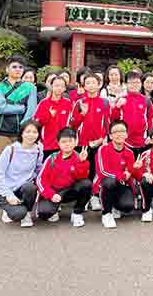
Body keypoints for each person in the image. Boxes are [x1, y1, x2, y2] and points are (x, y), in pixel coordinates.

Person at [0, 55, 38, 209]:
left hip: (22, 133)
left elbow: (31, 111)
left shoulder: (30, 88)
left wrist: (23, 130)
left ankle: (16, 194)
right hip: (3, 131)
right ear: (7, 69)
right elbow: (1, 108)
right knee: (0, 164)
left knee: (18, 165)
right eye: (14, 67)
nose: (17, 70)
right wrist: (20, 107)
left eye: (20, 67)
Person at [69, 72, 111, 211]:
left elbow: (107, 125)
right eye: (88, 83)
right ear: (84, 86)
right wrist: (82, 114)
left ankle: (95, 196)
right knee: (83, 171)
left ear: (99, 85)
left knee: (97, 171)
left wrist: (101, 139)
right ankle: (84, 198)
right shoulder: (79, 103)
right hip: (82, 144)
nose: (91, 85)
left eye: (94, 82)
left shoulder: (105, 103)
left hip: (98, 143)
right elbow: (72, 124)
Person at [36, 127, 92, 227]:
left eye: (70, 141)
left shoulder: (79, 157)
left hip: (69, 191)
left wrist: (82, 162)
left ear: (75, 142)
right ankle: (54, 208)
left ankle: (77, 213)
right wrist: (51, 195)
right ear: (58, 143)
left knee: (86, 184)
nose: (67, 144)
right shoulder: (52, 158)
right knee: (44, 213)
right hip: (53, 191)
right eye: (64, 141)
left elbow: (82, 177)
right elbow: (40, 179)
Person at [0, 120, 43, 227]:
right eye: (28, 132)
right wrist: (8, 195)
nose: (31, 135)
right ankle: (9, 208)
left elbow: (39, 169)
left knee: (30, 187)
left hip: (23, 188)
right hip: (6, 189)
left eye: (35, 132)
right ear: (21, 133)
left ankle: (27, 212)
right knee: (18, 214)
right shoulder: (10, 149)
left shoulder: (38, 149)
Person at [92, 120, 137, 229]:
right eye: (115, 132)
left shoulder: (130, 152)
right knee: (109, 182)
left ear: (126, 134)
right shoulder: (102, 149)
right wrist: (121, 176)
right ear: (110, 136)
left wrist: (135, 170)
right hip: (106, 183)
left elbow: (130, 172)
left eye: (122, 131)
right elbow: (102, 172)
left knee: (127, 206)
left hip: (121, 184)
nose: (119, 134)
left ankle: (114, 206)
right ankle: (106, 213)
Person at [33, 76, 73, 161]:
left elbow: (72, 122)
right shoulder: (44, 103)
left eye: (62, 86)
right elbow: (36, 122)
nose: (59, 88)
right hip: (47, 145)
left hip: (63, 144)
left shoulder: (68, 103)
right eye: (56, 85)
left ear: (65, 88)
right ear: (51, 86)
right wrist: (48, 115)